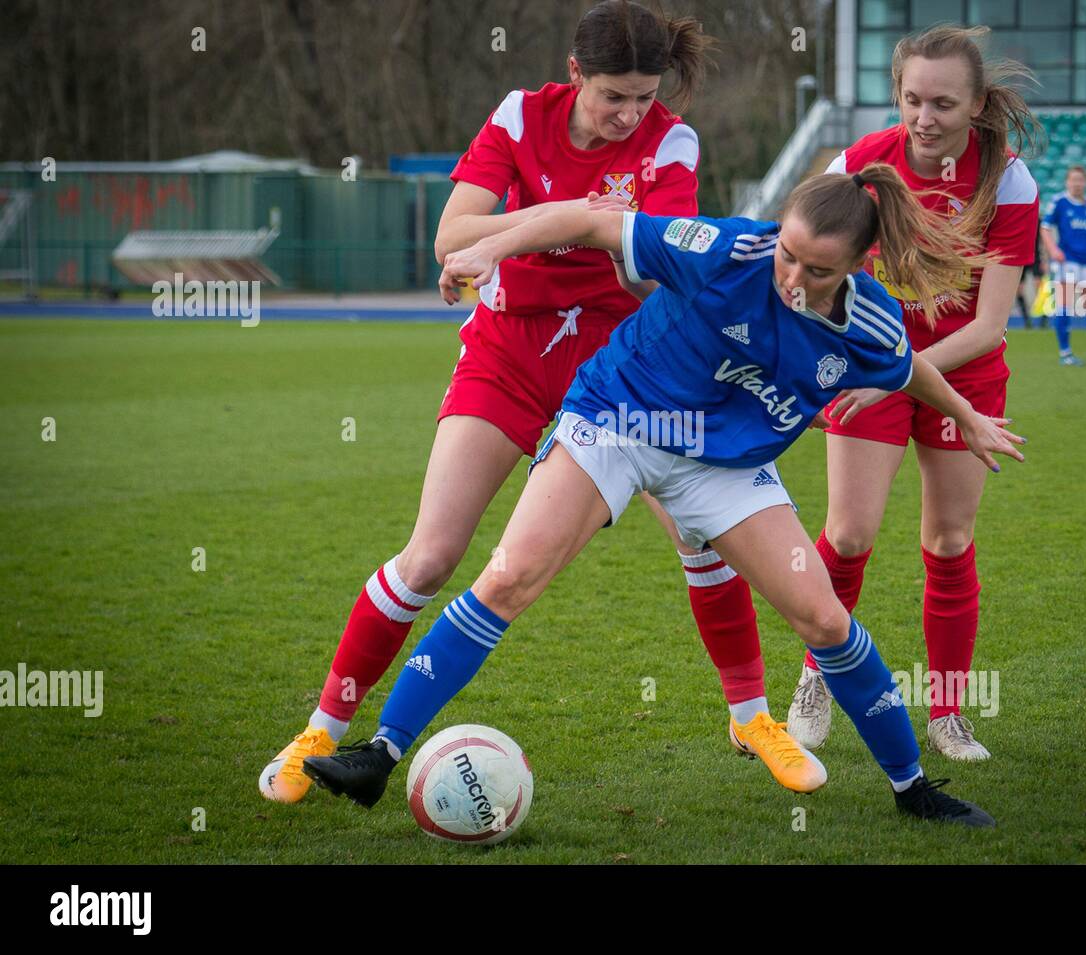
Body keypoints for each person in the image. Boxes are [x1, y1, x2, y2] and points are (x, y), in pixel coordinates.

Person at [300, 162, 1026, 828]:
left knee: (824, 618)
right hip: (618, 419)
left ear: (857, 267)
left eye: (817, 268)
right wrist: (501, 247)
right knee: (509, 575)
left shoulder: (869, 320)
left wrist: (966, 417)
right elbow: (589, 221)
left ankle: (913, 789)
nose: (793, 276)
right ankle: (381, 754)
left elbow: (906, 371)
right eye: (789, 253)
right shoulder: (727, 248)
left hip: (726, 466)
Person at [259, 0, 820, 804]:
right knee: (430, 556)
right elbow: (453, 235)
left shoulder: (673, 140)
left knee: (701, 532)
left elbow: (654, 266)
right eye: (613, 96)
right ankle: (323, 726)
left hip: (627, 363)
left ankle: (750, 715)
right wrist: (572, 220)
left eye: (643, 96)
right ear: (574, 76)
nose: (631, 114)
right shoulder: (522, 116)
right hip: (508, 351)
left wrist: (532, 229)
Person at [785, 25, 1039, 762]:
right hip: (867, 369)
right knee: (850, 534)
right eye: (910, 100)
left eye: (943, 103)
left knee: (948, 541)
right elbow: (805, 263)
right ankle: (815, 676)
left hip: (961, 371)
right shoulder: (860, 163)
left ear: (977, 103)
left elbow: (990, 325)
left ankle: (949, 714)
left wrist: (900, 366)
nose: (924, 119)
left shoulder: (1007, 179)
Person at [1042, 165, 1086, 365]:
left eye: (1080, 180)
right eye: (1073, 180)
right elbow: (1045, 228)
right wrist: (1053, 250)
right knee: (1065, 306)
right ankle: (1066, 353)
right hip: (1067, 261)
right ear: (1067, 182)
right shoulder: (1060, 201)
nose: (1077, 183)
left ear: (1085, 183)